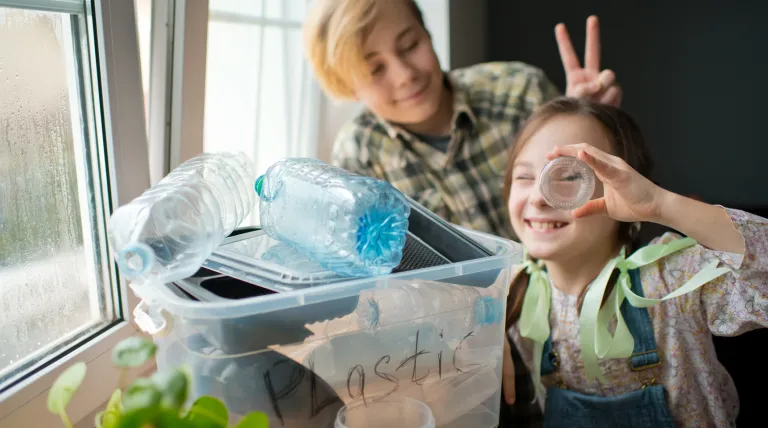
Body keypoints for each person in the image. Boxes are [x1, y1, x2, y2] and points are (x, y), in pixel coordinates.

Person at [501, 96, 768, 427]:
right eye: (524, 177)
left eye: (568, 178)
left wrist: (659, 202)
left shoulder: (672, 277)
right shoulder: (512, 289)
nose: (539, 197)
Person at [303, 0, 621, 242]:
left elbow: (593, 200)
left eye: (410, 45)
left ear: (427, 33)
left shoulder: (519, 89)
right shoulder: (360, 152)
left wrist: (586, 124)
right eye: (376, 70)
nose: (405, 75)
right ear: (347, 86)